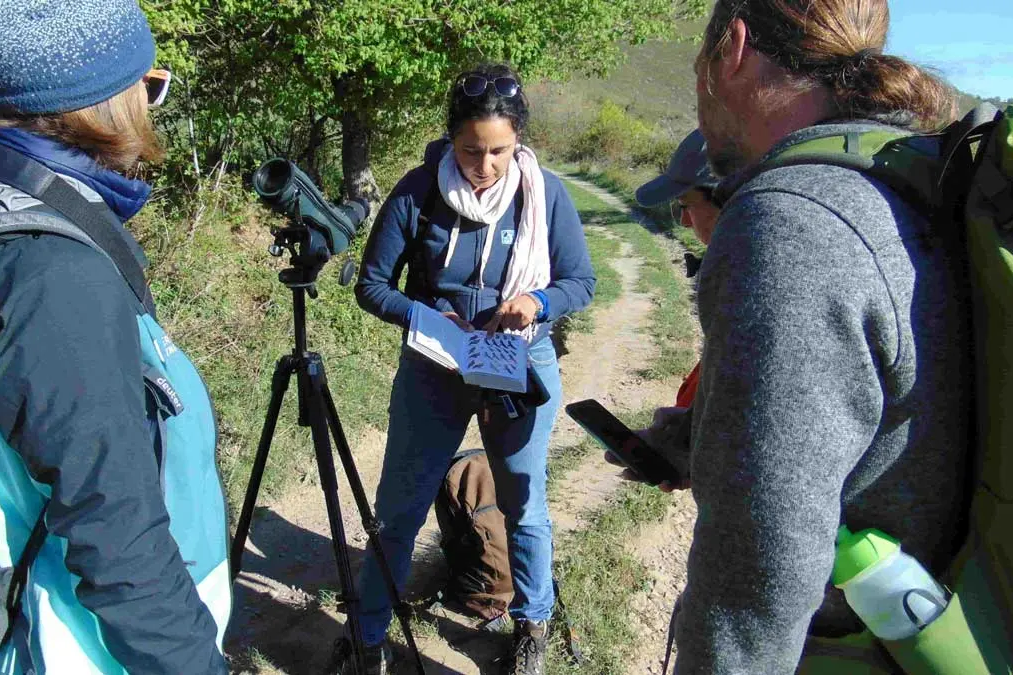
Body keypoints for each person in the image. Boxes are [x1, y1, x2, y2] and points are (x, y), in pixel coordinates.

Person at [668, 1, 972, 672]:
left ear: (733, 48)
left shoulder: (789, 221)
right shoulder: (912, 175)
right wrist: (710, 435)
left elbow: (758, 574)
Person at [0, 1, 231, 671]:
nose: (151, 105)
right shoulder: (53, 273)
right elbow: (117, 538)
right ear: (106, 101)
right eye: (150, 85)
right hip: (68, 647)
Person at [354, 63, 596, 675]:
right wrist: (431, 318)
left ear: (519, 142)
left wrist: (537, 303)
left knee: (525, 502)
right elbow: (373, 287)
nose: (485, 167)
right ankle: (366, 633)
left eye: (499, 152)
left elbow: (579, 282)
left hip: (519, 359)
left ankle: (533, 623)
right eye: (470, 150)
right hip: (435, 363)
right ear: (450, 138)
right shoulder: (417, 191)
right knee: (400, 507)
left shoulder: (547, 195)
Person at [619, 130, 721, 481]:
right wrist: (684, 440)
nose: (683, 221)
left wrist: (687, 444)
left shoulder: (767, 280)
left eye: (687, 205)